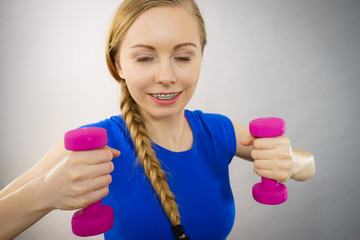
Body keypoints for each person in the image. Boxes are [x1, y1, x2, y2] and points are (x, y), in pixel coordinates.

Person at [0, 0, 315, 239]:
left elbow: (308, 164)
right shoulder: (94, 144)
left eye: (182, 57)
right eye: (145, 58)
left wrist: (289, 162)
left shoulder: (217, 130)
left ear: (201, 58)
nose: (166, 77)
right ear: (119, 65)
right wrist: (44, 193)